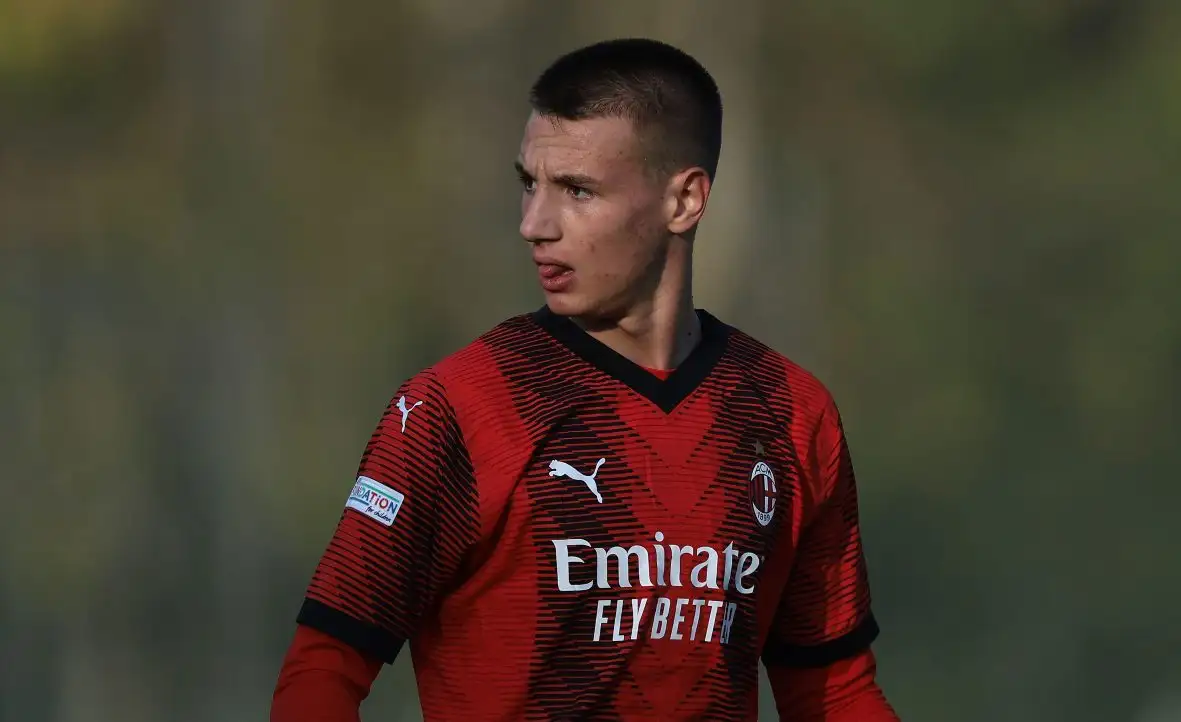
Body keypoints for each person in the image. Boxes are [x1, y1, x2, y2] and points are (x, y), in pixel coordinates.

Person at [270, 37, 899, 721]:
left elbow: (834, 692)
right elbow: (323, 670)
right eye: (528, 184)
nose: (534, 225)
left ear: (684, 200)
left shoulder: (789, 412)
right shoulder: (457, 408)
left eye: (577, 190)